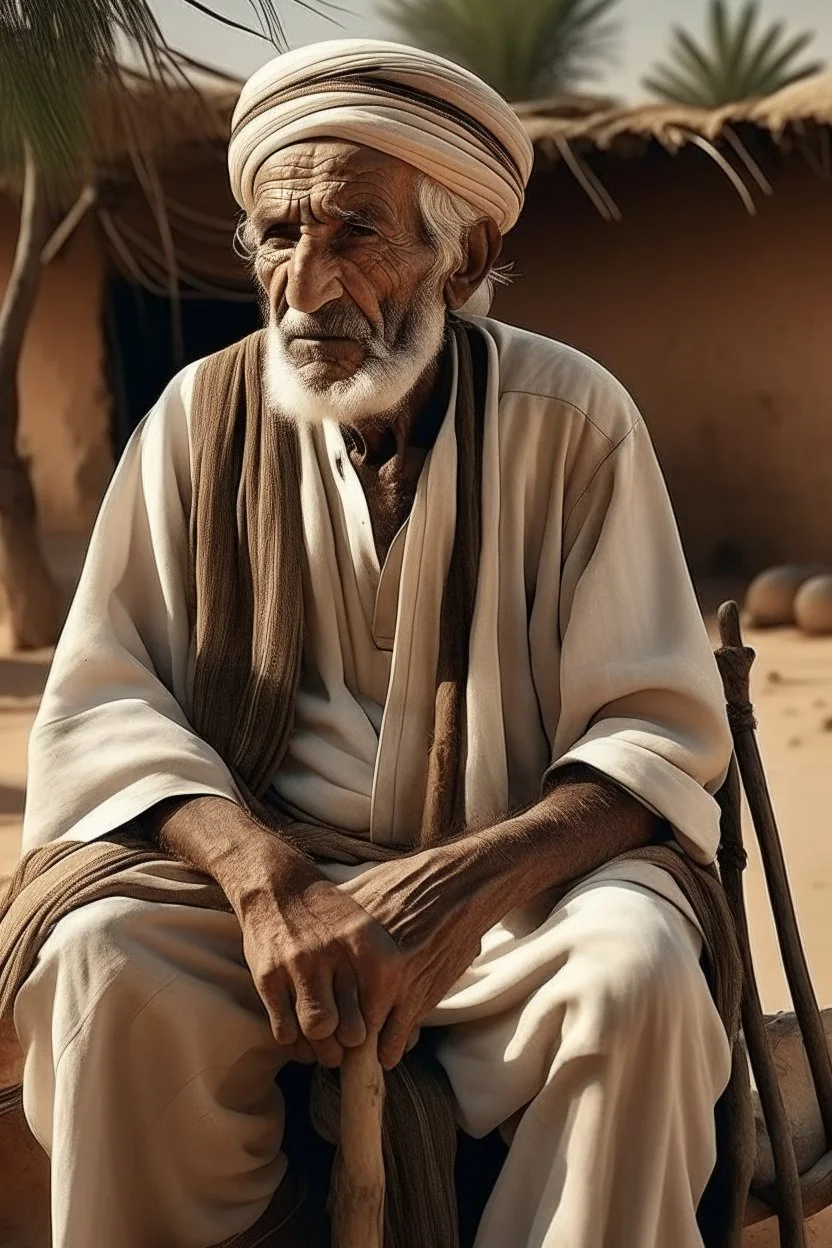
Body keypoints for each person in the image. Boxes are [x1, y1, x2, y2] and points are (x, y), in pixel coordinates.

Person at [11, 38, 741, 1248]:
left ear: (467, 258)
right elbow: (104, 705)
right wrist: (264, 878)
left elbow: (653, 735)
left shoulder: (576, 425)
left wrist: (460, 888)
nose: (305, 282)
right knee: (103, 964)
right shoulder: (197, 420)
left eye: (354, 232)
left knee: (636, 976)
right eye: (278, 238)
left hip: (512, 909)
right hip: (253, 911)